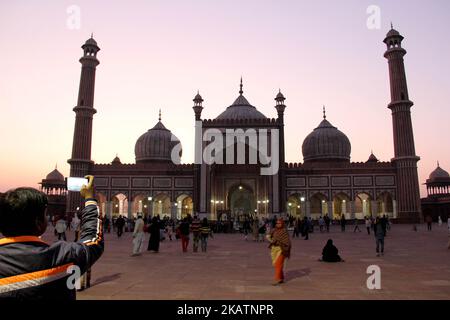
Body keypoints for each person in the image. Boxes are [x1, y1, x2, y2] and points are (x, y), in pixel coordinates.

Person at [0, 175, 103, 300]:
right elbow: (92, 241)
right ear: (39, 223)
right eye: (44, 214)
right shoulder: (62, 256)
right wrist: (90, 199)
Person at [267, 218, 291, 285]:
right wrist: (269, 238)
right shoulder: (274, 230)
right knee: (277, 264)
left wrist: (283, 245)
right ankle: (281, 278)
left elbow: (287, 242)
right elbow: (269, 236)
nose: (278, 224)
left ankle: (277, 279)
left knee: (278, 264)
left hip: (282, 249)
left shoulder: (284, 231)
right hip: (274, 249)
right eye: (277, 223)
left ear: (282, 224)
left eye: (279, 223)